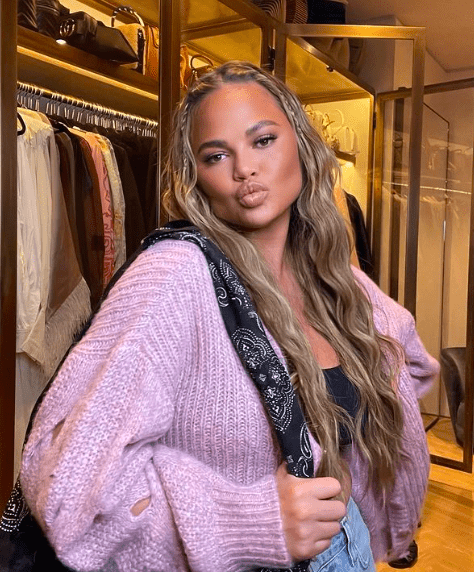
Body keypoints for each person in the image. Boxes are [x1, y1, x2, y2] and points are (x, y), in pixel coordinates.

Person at [20, 61, 439, 572]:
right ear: (196, 177)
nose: (244, 169)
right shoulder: (175, 276)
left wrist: (356, 477)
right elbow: (65, 487)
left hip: (344, 546)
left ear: (302, 145)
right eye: (217, 155)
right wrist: (251, 520)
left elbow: (408, 359)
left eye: (263, 141)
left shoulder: (332, 276)